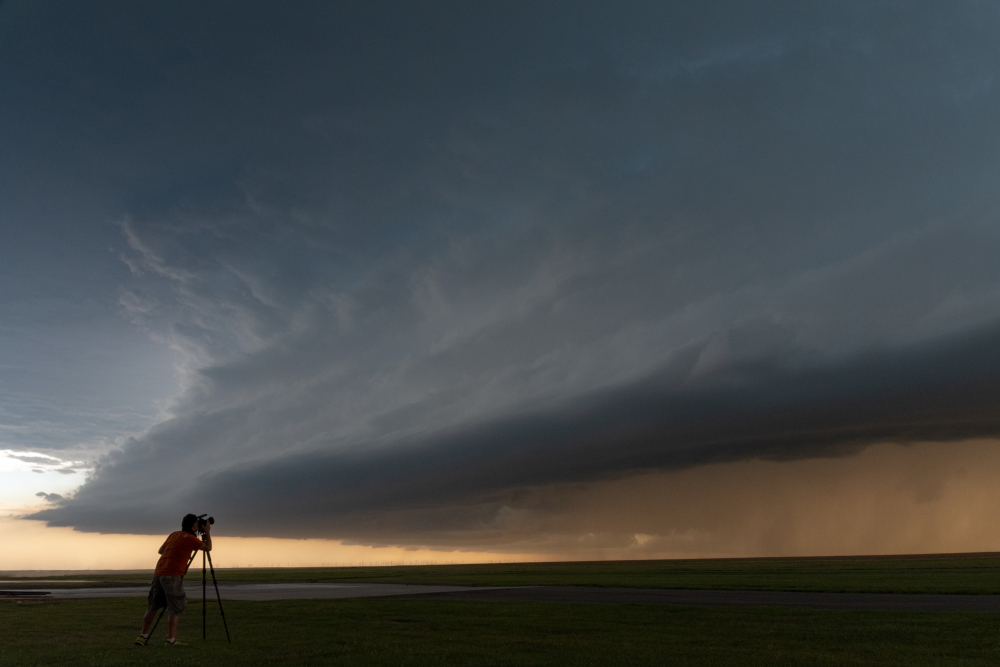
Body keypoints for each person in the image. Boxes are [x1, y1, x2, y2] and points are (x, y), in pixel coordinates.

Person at [134, 513, 212, 647]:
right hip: (172, 575)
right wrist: (207, 532)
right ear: (194, 525)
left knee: (153, 605)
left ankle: (142, 636)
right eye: (197, 524)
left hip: (159, 573)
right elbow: (208, 548)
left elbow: (160, 551)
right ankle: (170, 641)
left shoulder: (174, 534)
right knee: (175, 607)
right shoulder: (191, 539)